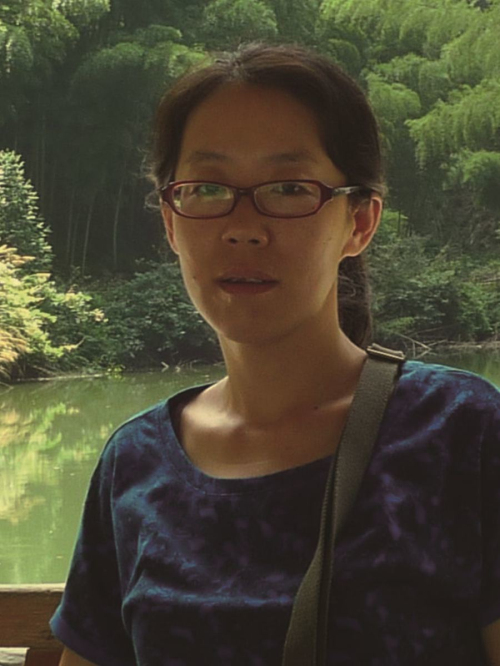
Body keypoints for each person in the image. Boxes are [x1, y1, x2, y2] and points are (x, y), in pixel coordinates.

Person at [50, 43, 500, 665]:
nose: (243, 227)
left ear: (360, 222)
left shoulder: (459, 430)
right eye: (208, 188)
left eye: (289, 189)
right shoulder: (136, 463)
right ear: (172, 222)